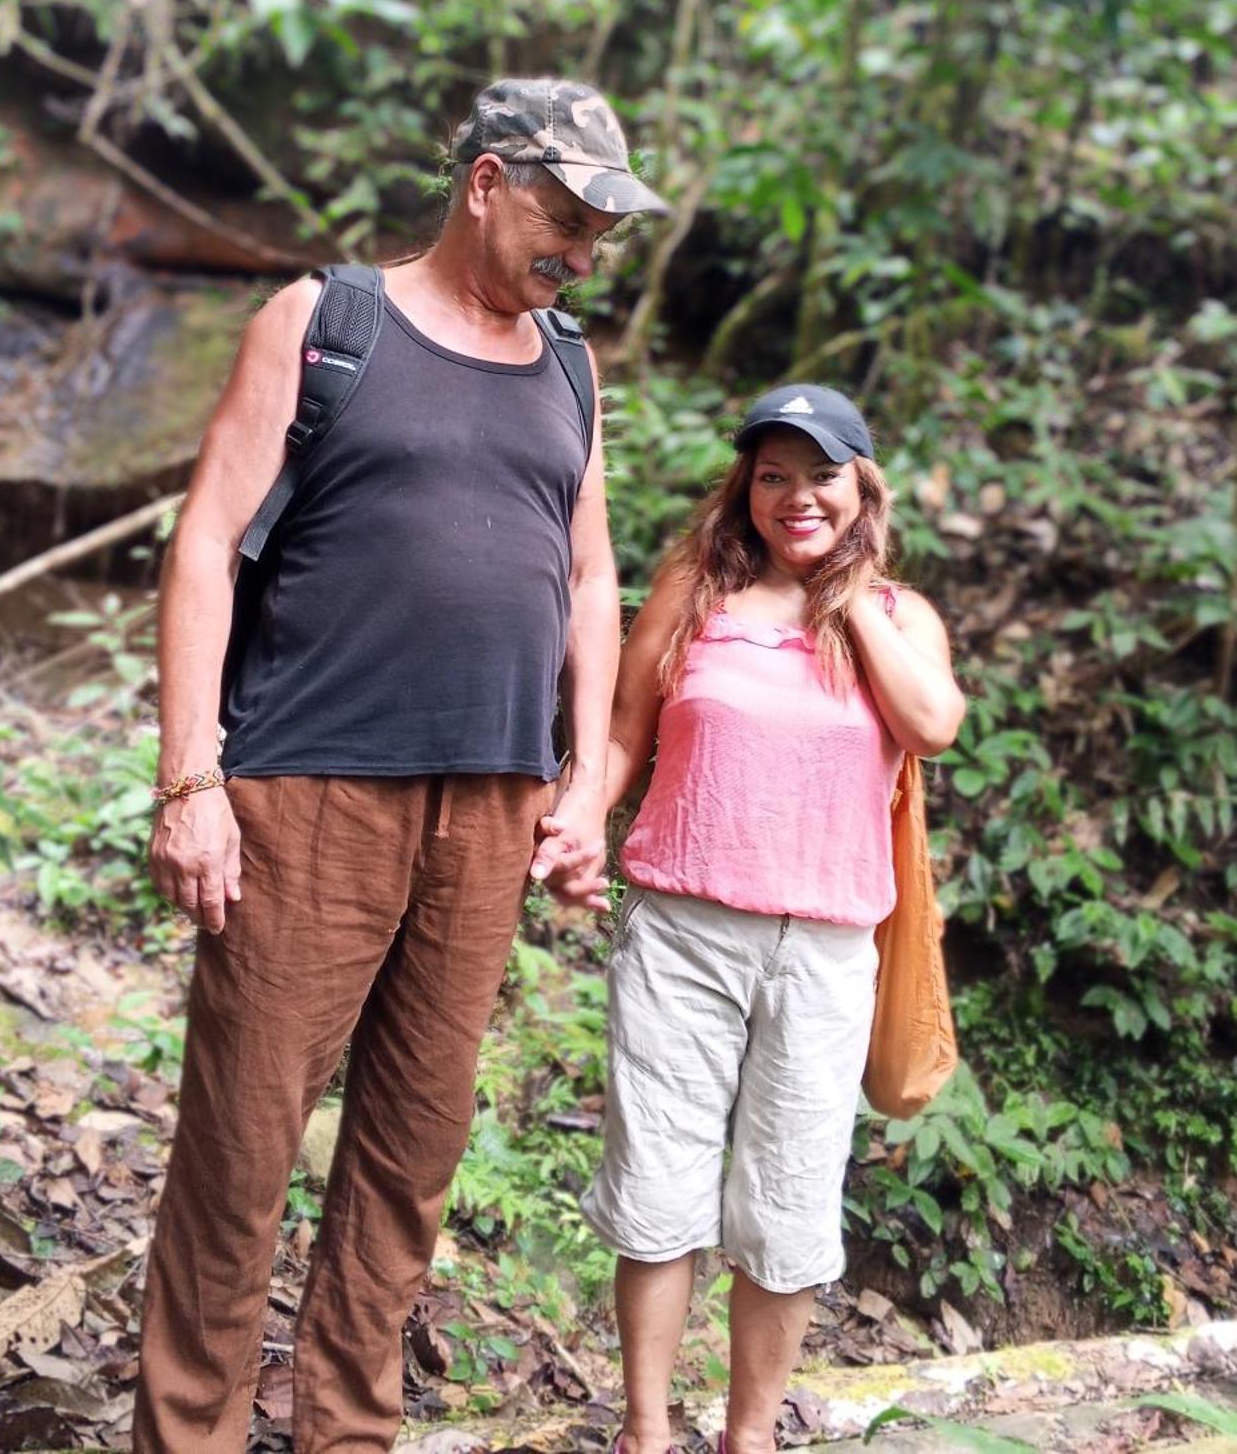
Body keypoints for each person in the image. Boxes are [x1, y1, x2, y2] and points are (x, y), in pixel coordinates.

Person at [132, 79, 666, 1454]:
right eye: (566, 216)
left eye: (604, 231)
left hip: (489, 801)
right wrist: (190, 782)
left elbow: (592, 572)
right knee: (244, 1150)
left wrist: (587, 780)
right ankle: (186, 1434)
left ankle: (346, 1433)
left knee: (409, 1156)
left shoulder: (569, 362)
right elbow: (205, 543)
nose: (583, 252)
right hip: (313, 788)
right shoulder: (326, 324)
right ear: (487, 182)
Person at [581, 384, 967, 1454]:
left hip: (825, 949)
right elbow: (622, 735)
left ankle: (748, 1437)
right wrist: (574, 825)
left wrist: (846, 601)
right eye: (774, 474)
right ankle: (646, 1431)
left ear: (861, 486)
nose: (798, 495)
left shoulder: (900, 616)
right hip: (682, 931)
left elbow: (933, 723)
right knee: (658, 1182)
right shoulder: (692, 591)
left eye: (822, 474)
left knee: (788, 1204)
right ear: (746, 486)